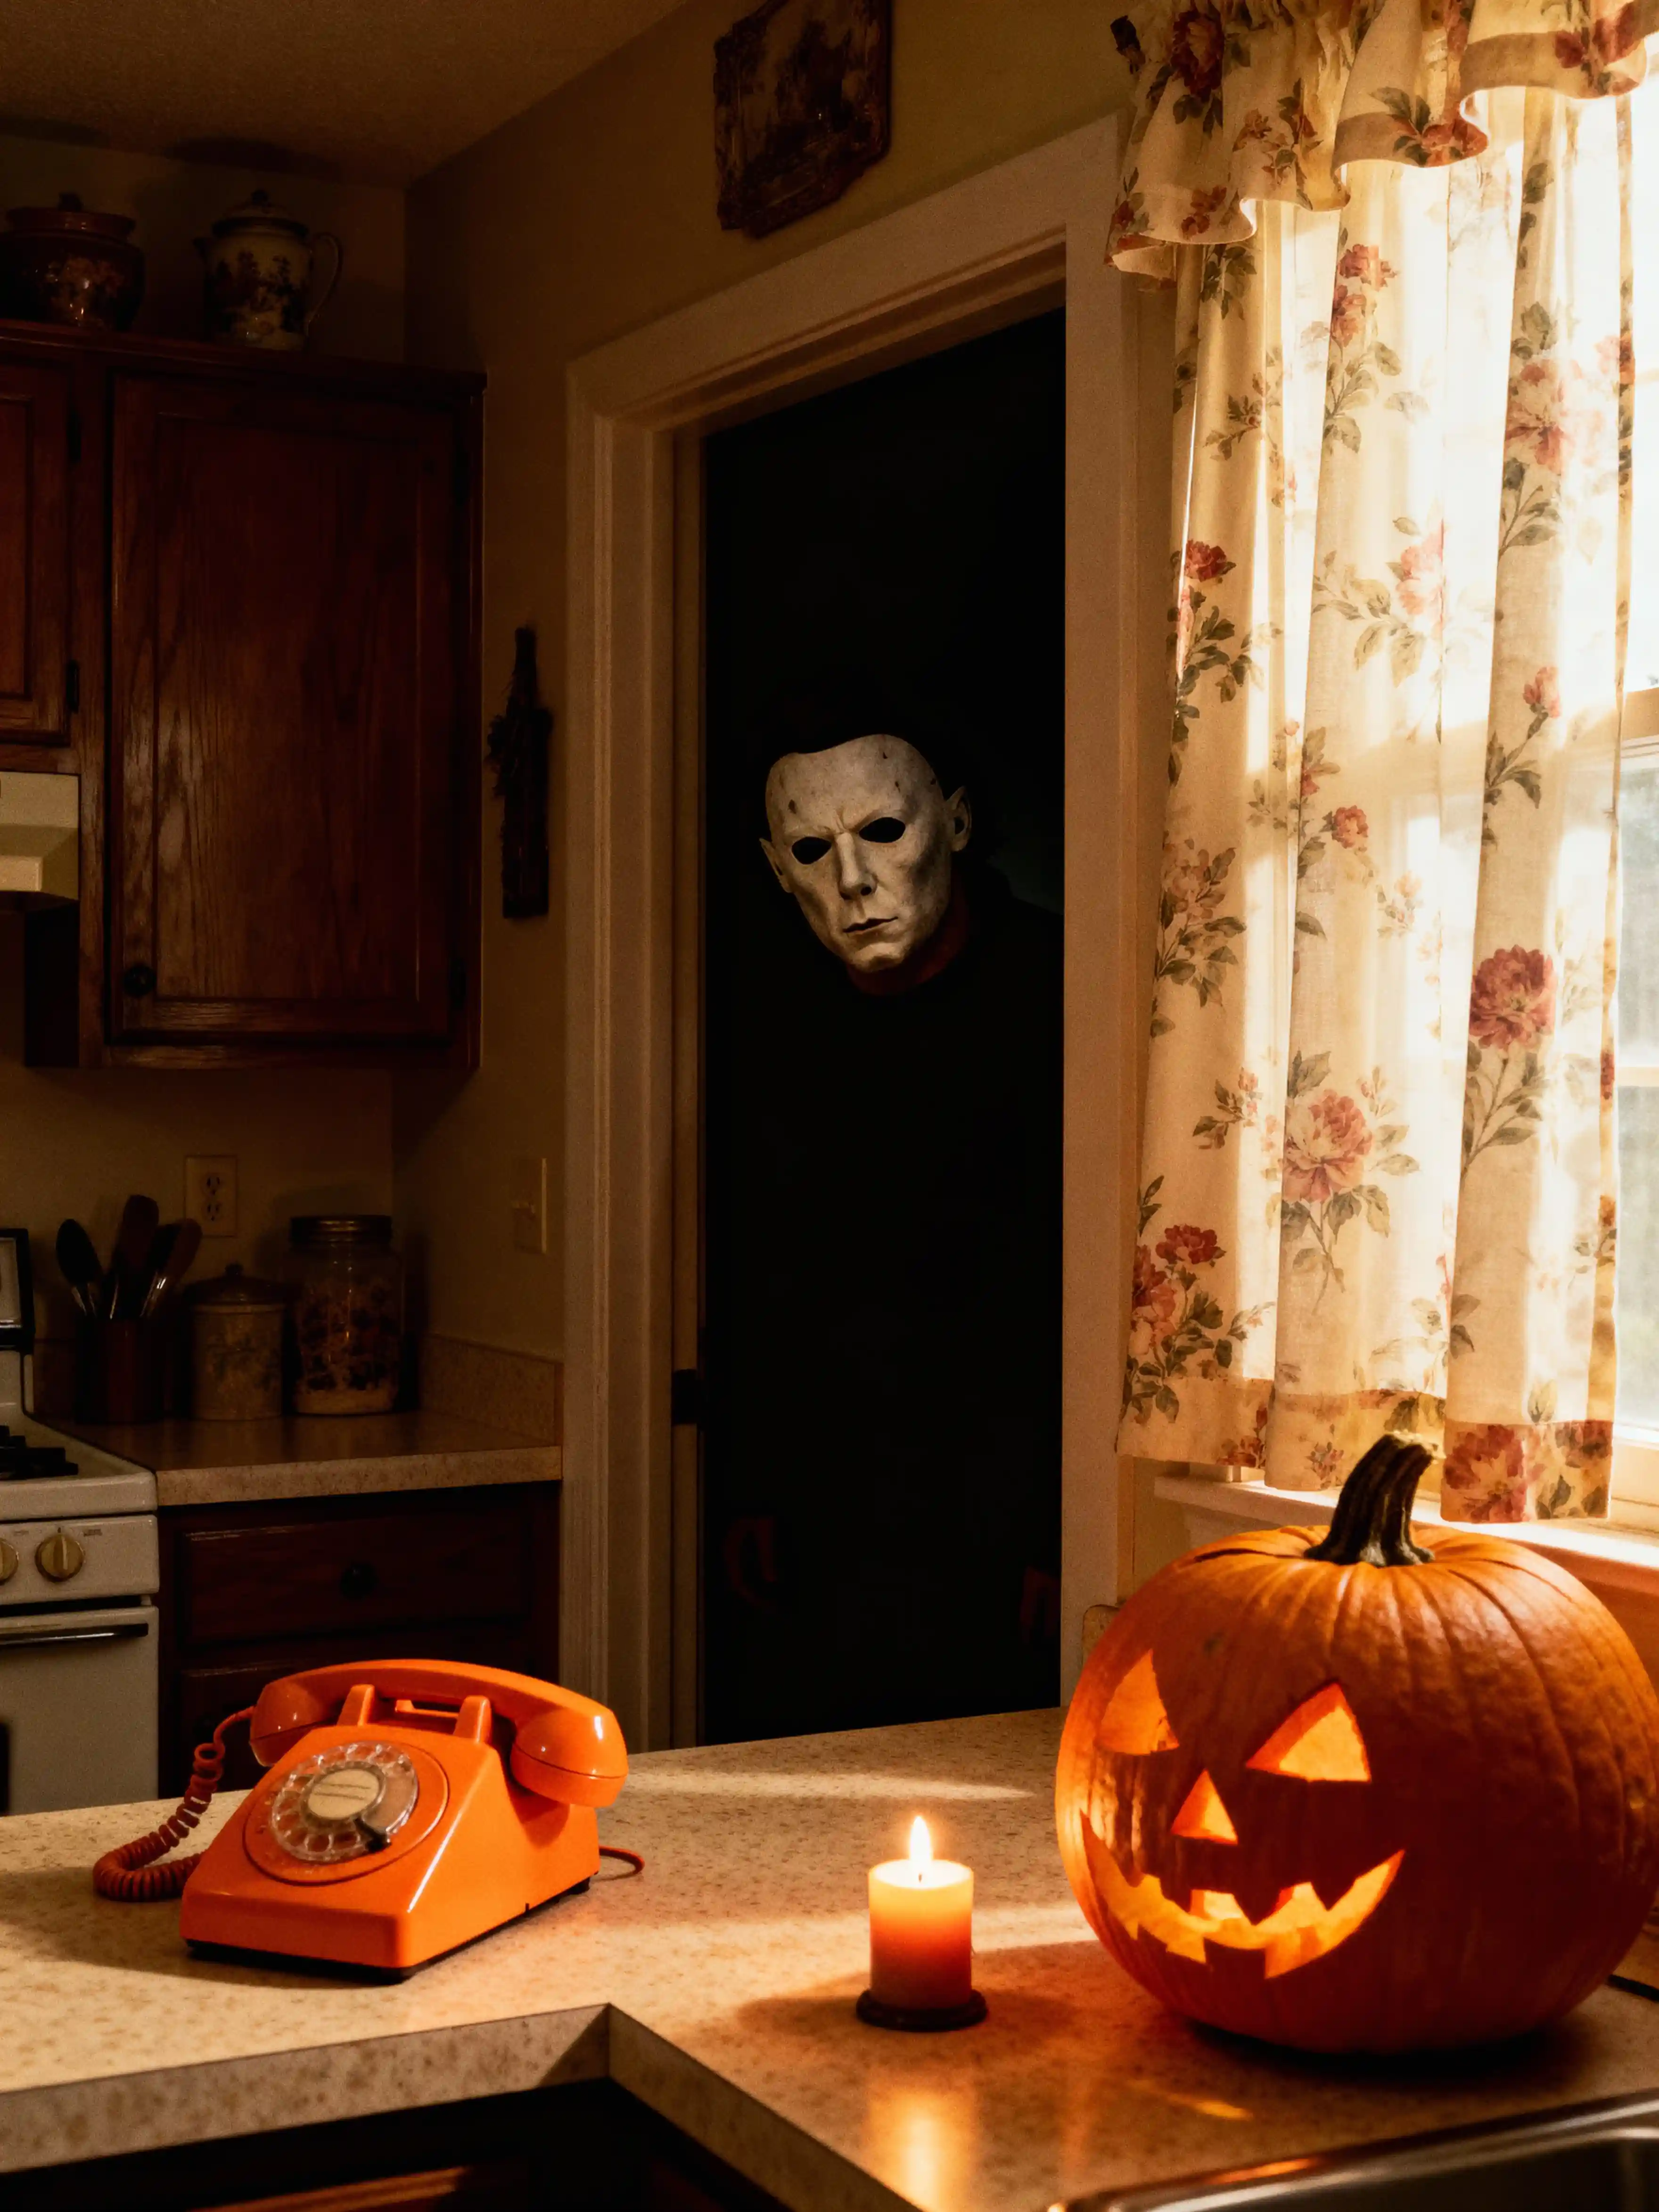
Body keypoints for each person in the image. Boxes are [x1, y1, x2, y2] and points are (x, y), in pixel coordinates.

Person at [707, 719, 1062, 1738]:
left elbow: (1067, 1273)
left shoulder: (1060, 988)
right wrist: (755, 1480)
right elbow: (765, 1259)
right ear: (779, 873)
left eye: (883, 830)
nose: (855, 880)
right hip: (836, 1509)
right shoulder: (777, 1026)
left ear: (951, 822)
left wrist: (1055, 1520)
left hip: (1006, 1508)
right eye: (815, 851)